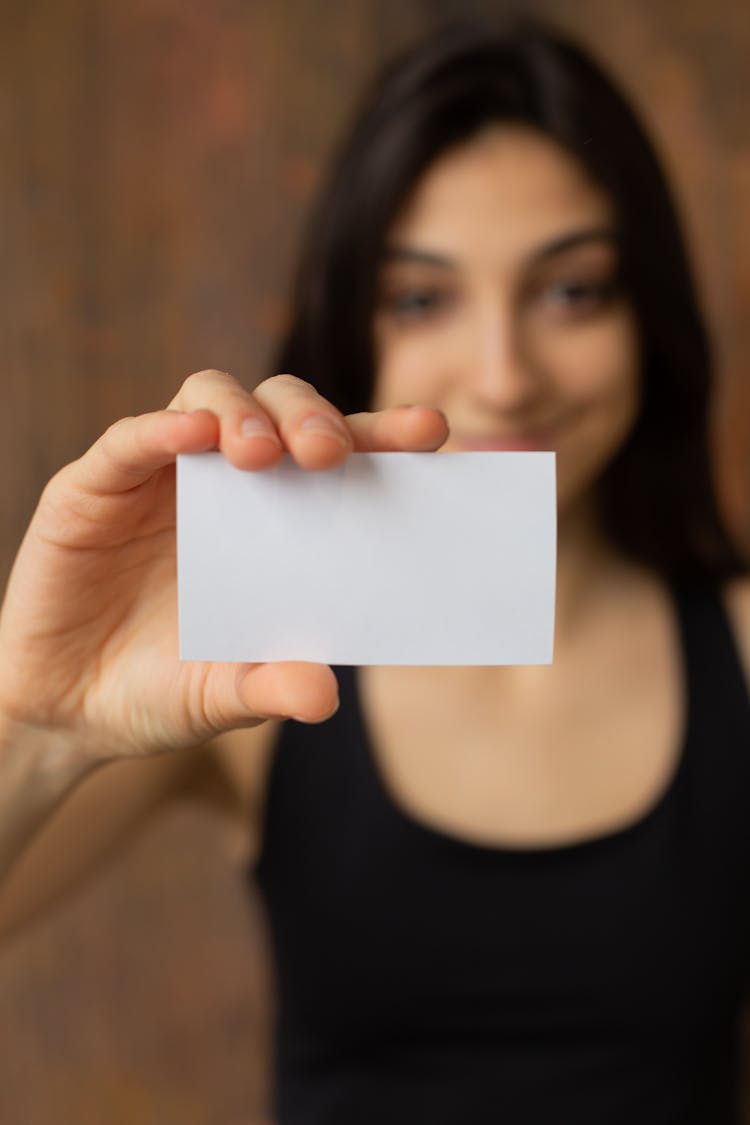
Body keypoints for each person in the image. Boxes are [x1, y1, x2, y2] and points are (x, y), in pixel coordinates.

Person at [0, 16, 749, 1125]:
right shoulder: (252, 659)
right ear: (357, 332)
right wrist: (37, 718)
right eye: (422, 297)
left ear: (651, 320)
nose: (504, 375)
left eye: (573, 290)